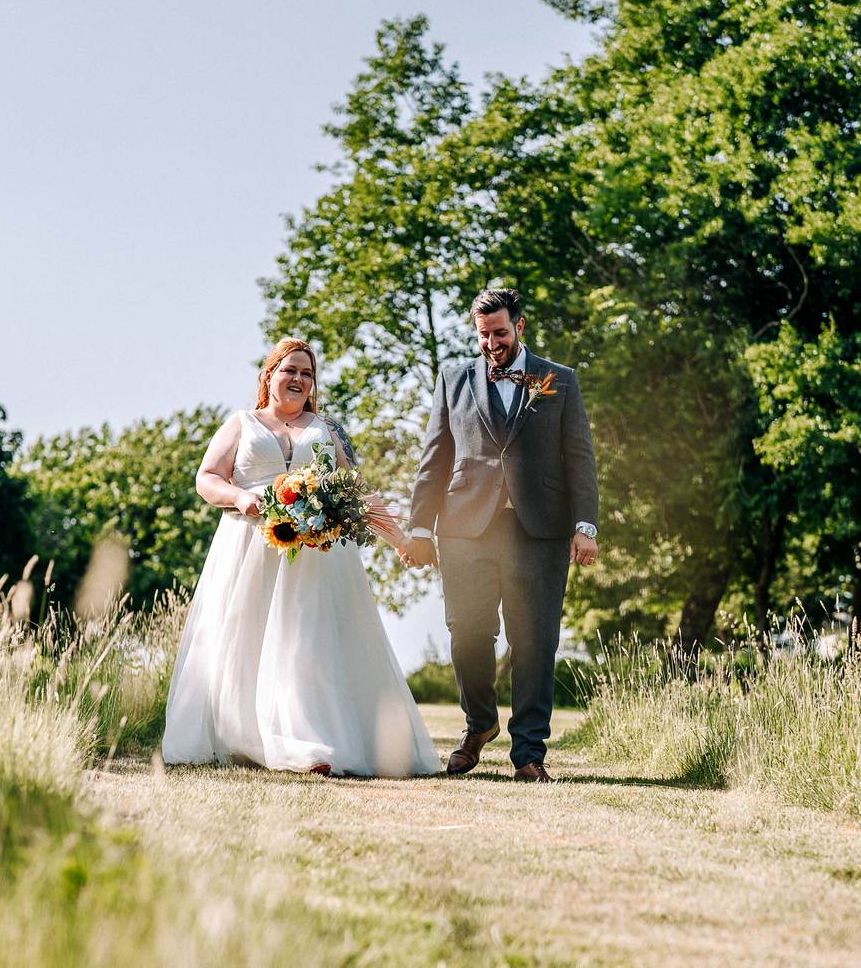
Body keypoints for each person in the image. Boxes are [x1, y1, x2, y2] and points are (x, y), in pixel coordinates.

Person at [161, 337, 442, 778]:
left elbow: (356, 493)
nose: (298, 379)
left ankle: (310, 743)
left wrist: (402, 541)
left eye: (307, 374)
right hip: (251, 546)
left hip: (319, 555)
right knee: (246, 640)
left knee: (308, 646)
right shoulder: (241, 423)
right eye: (290, 370)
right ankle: (247, 737)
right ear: (268, 375)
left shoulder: (326, 429)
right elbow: (207, 478)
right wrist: (240, 497)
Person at [403, 288, 600, 783]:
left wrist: (585, 525)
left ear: (521, 326)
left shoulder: (558, 380)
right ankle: (480, 724)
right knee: (467, 632)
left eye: (500, 333)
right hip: (466, 528)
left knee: (535, 639)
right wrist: (419, 526)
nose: (492, 343)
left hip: (540, 530)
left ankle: (529, 753)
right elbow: (436, 456)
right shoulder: (452, 378)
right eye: (483, 335)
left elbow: (579, 458)